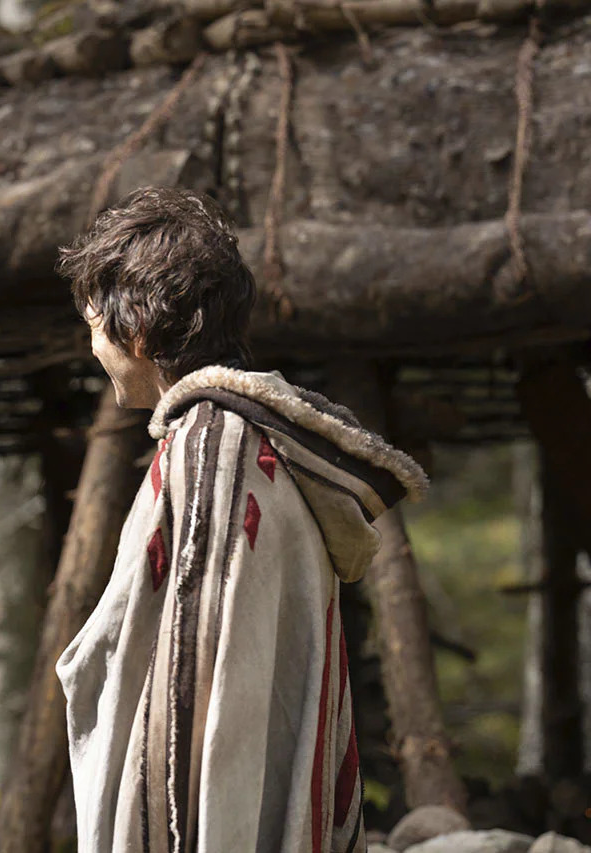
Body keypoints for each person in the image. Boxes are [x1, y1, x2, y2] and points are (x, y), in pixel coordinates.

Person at [54, 188, 428, 853]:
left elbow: (194, 692)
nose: (90, 346)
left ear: (135, 328)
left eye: (93, 323)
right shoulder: (249, 446)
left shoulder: (213, 453)